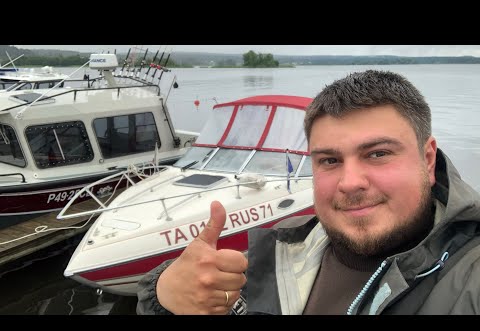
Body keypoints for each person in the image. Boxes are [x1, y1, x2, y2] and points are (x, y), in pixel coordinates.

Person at [137, 69, 480, 315]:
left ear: (428, 158)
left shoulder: (469, 276)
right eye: (330, 160)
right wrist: (164, 297)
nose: (350, 182)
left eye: (378, 154)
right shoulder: (277, 253)